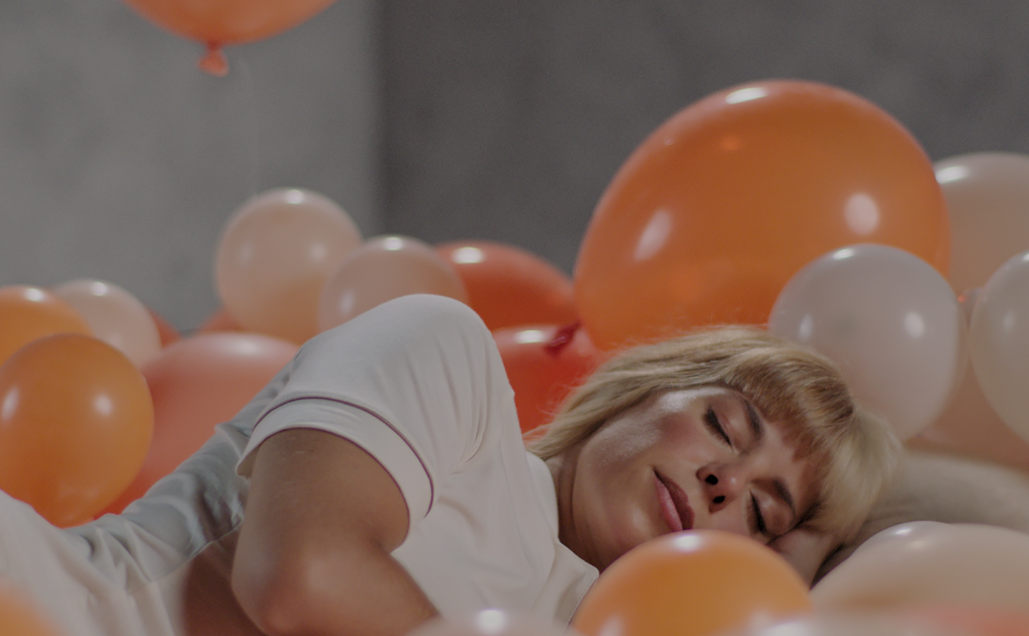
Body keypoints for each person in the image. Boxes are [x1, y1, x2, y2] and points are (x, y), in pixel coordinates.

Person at [0, 294, 900, 636]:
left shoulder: (600, 621)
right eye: (722, 427)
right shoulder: (450, 361)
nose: (723, 484)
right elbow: (302, 578)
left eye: (761, 510)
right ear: (640, 392)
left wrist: (801, 563)